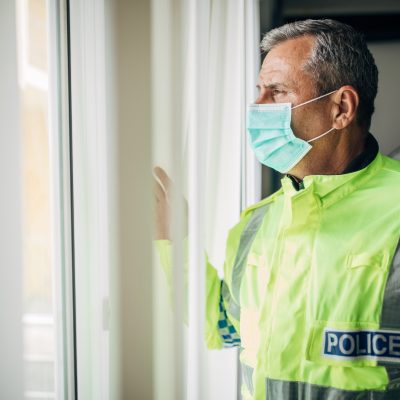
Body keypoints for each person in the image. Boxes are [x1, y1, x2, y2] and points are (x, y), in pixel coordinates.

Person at [154, 19, 400, 399]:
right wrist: (176, 240)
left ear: (341, 108)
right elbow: (223, 326)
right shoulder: (258, 222)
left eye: (277, 91)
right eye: (259, 91)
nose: (257, 106)